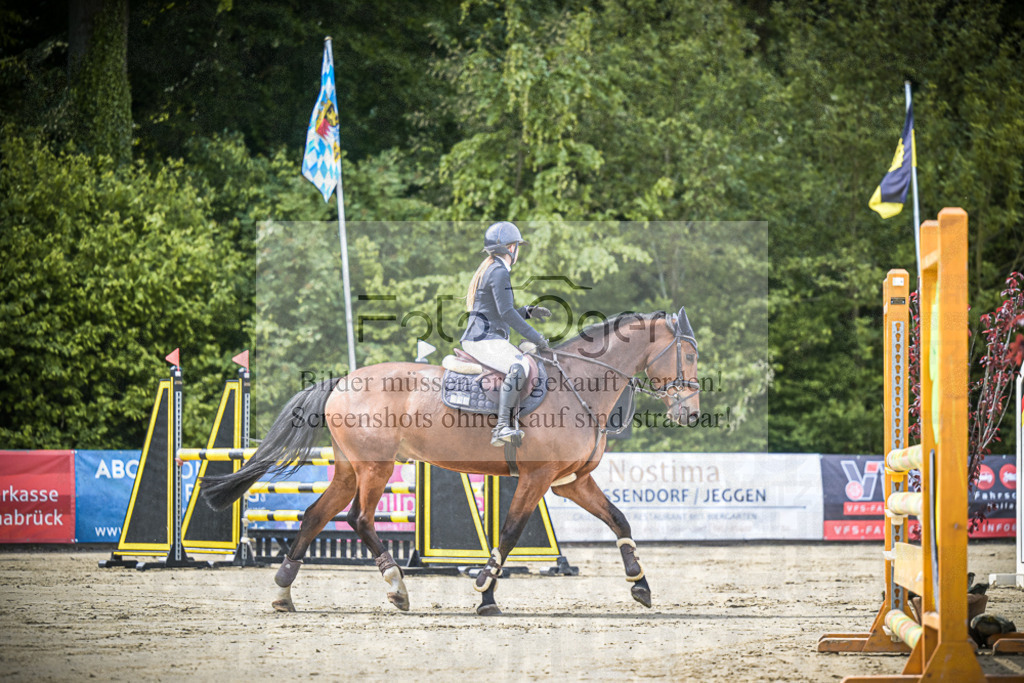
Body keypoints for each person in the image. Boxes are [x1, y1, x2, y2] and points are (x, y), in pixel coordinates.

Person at [462, 221, 551, 446]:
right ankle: (502, 426)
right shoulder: (499, 271)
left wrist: (529, 312)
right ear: (512, 248)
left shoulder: (492, 269)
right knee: (519, 366)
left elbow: (500, 312)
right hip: (484, 339)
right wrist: (536, 338)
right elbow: (507, 312)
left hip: (485, 335)